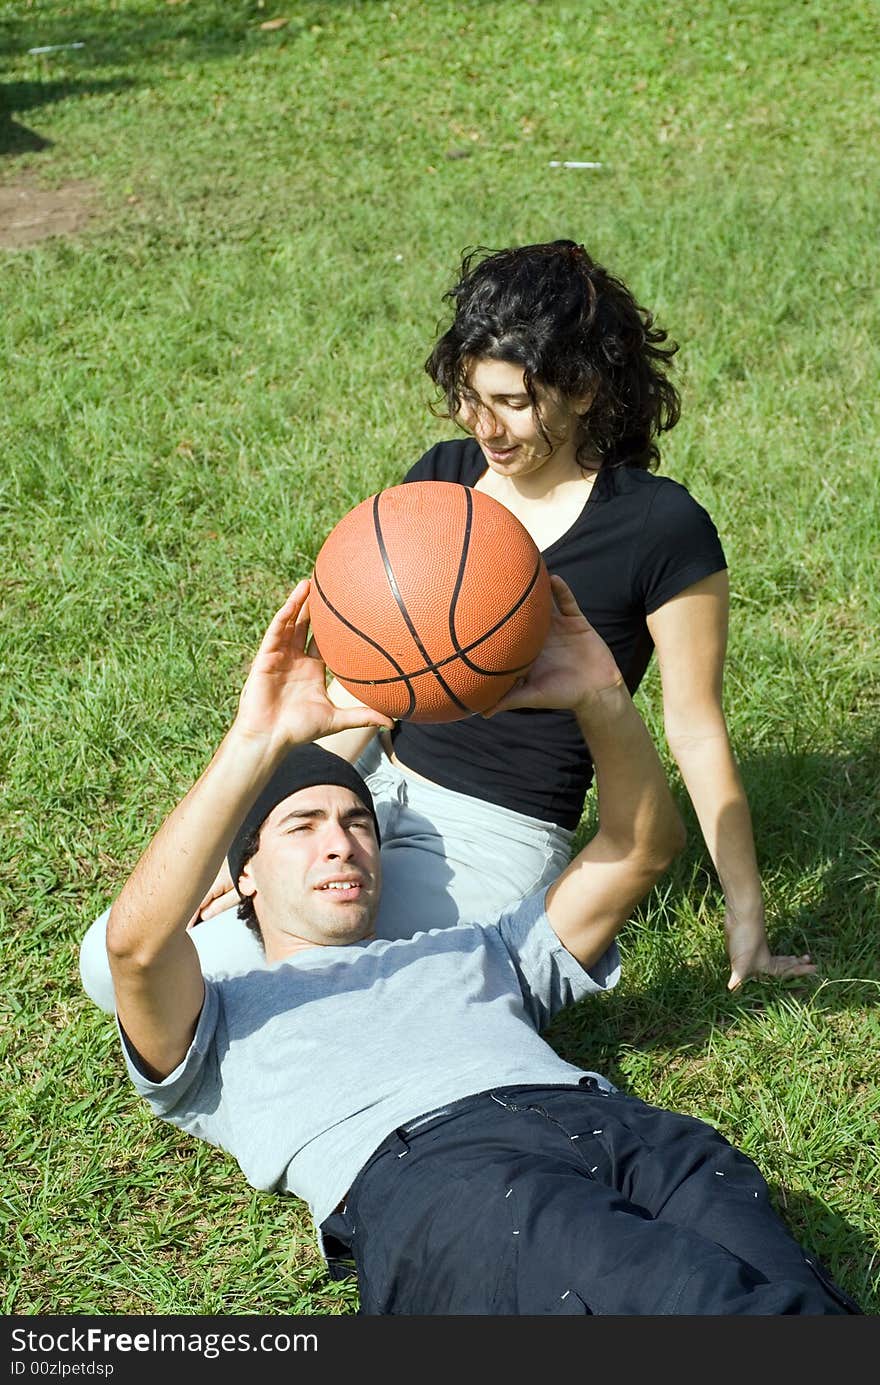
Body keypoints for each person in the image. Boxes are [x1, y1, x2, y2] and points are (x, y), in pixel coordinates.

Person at [80, 237, 815, 1010]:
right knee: (114, 959)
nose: (486, 428)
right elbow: (365, 688)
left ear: (587, 389)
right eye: (471, 397)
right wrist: (260, 834)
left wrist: (747, 914)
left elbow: (696, 728)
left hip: (493, 834)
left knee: (312, 994)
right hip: (364, 789)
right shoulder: (442, 478)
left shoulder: (660, 527)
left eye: (514, 402)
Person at [104, 576, 858, 1316]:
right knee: (705, 1302)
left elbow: (641, 850)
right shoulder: (222, 1019)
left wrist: (601, 695)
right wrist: (255, 740)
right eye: (301, 827)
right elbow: (135, 948)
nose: (339, 844)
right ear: (244, 876)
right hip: (444, 1172)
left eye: (357, 822)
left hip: (633, 1133)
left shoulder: (474, 947)